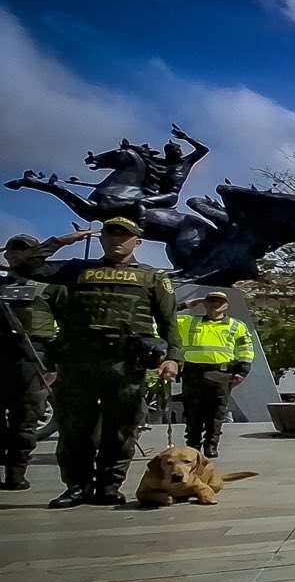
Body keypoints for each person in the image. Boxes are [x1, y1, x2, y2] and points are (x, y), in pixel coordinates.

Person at [7, 218, 182, 508]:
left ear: (137, 242)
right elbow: (24, 266)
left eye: (124, 236)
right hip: (79, 360)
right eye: (111, 235)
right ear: (101, 239)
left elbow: (169, 323)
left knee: (121, 428)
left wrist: (174, 359)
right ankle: (77, 487)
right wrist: (60, 242)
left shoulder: (152, 277)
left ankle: (109, 486)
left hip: (124, 363)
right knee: (75, 428)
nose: (117, 241)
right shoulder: (75, 269)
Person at [1, 234, 60, 490]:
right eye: (12, 252)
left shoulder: (52, 286)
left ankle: (15, 474)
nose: (16, 256)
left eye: (24, 251)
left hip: (34, 355)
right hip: (2, 354)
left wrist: (56, 363)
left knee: (25, 419)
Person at [175, 291, 253, 458]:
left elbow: (245, 349)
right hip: (193, 372)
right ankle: (193, 445)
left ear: (226, 305)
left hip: (221, 373)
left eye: (219, 301)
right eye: (210, 301)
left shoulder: (236, 326)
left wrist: (243, 371)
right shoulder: (189, 322)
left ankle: (211, 444)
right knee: (192, 412)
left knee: (216, 413)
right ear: (204, 303)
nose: (215, 304)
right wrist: (186, 305)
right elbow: (162, 317)